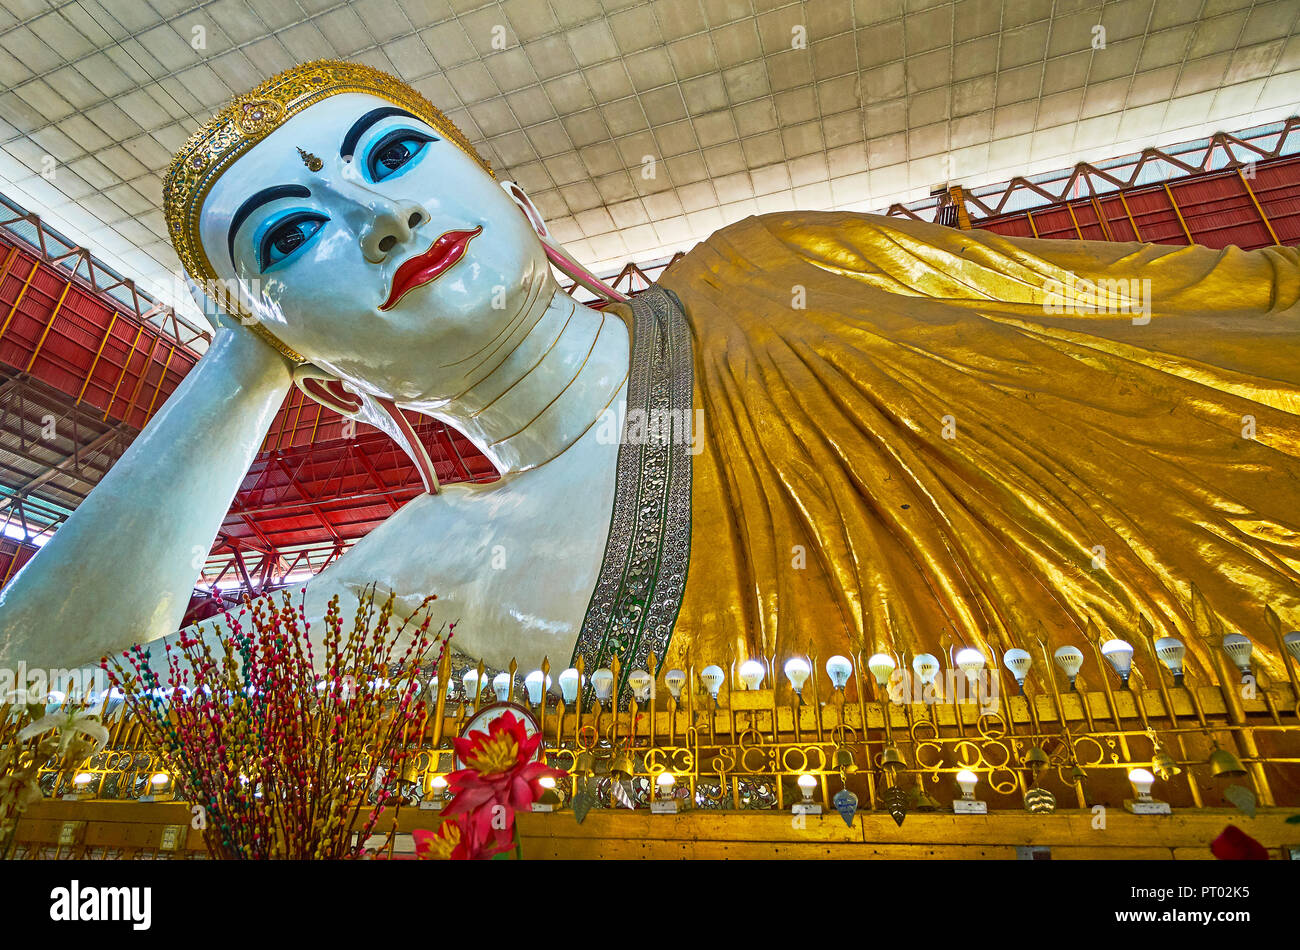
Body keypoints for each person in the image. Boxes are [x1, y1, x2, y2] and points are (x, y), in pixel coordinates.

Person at [1, 60, 1296, 693]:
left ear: (510, 198)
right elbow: (34, 704)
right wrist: (242, 363)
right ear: (310, 366)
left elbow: (1171, 327)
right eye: (293, 235)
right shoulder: (418, 566)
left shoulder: (775, 271)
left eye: (392, 156)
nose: (378, 219)